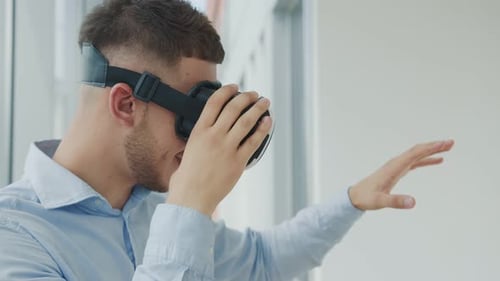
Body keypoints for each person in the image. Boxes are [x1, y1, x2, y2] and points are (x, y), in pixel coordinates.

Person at [0, 0, 454, 280]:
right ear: (124, 104)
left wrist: (352, 200)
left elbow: (262, 261)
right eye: (193, 115)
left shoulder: (153, 207)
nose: (203, 140)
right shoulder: (15, 238)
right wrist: (190, 204)